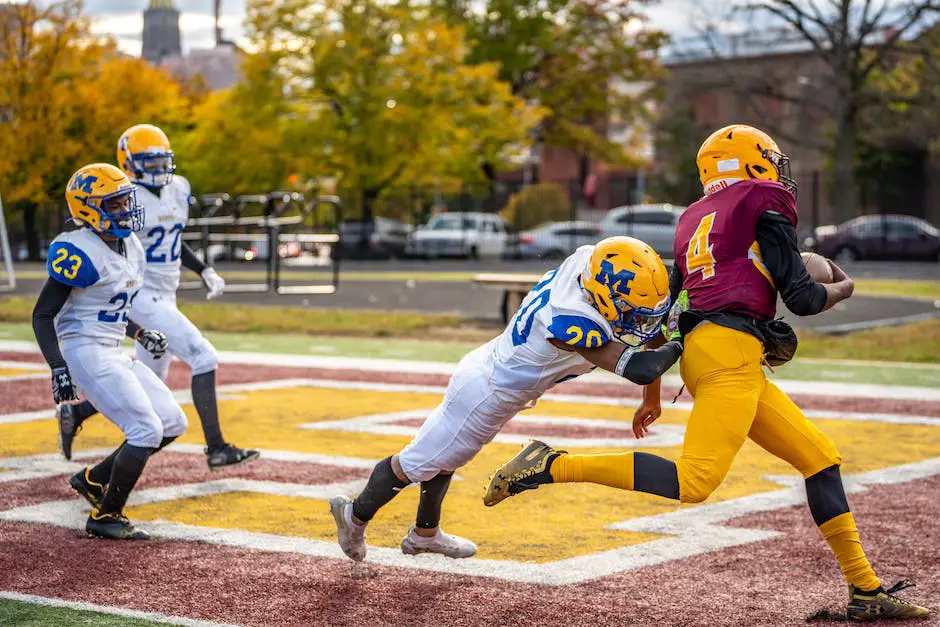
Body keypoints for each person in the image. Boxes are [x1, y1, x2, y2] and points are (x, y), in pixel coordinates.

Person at [484, 125, 928, 621]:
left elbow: (664, 313)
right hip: (729, 356)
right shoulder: (763, 199)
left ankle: (864, 590)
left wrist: (651, 393)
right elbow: (802, 298)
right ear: (750, 162)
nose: (777, 170)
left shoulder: (694, 219)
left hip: (712, 352)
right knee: (695, 482)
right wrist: (844, 288)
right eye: (770, 159)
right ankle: (551, 464)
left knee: (820, 459)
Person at [330, 236, 681, 561]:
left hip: (488, 367)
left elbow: (649, 324)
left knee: (444, 454)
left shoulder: (589, 262)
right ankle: (354, 516)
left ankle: (425, 534)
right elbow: (641, 366)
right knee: (413, 464)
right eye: (634, 313)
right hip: (489, 394)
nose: (640, 322)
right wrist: (680, 337)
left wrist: (652, 399)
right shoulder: (570, 323)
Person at [57, 124, 258, 471]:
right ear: (130, 164)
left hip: (167, 292)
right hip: (140, 293)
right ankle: (217, 447)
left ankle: (77, 413)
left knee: (150, 385)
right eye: (148, 163)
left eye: (161, 161)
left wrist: (203, 270)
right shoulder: (124, 196)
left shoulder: (179, 188)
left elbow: (173, 238)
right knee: (203, 355)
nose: (157, 169)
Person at [32, 163, 188, 539]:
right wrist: (58, 367)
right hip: (84, 349)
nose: (125, 209)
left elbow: (113, 305)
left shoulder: (131, 244)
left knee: (172, 422)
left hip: (114, 346)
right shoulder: (78, 249)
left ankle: (92, 479)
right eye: (114, 203)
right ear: (88, 208)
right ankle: (105, 516)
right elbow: (42, 314)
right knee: (146, 429)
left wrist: (139, 331)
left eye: (125, 200)